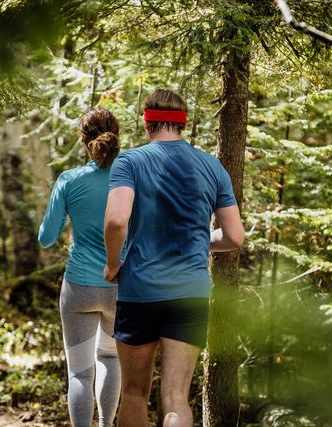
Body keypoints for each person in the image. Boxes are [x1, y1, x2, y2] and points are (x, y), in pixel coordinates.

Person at [103, 88, 245, 427]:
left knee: (135, 393)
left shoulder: (130, 161)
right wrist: (198, 243)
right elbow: (235, 237)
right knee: (176, 398)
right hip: (190, 292)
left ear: (146, 122)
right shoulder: (212, 166)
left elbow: (116, 220)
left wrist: (112, 263)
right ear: (183, 123)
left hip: (140, 290)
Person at [38, 109, 122, 427]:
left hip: (79, 287)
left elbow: (47, 238)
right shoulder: (132, 179)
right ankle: (105, 425)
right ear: (116, 136)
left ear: (83, 142)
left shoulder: (69, 180)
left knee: (80, 373)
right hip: (121, 286)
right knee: (111, 359)